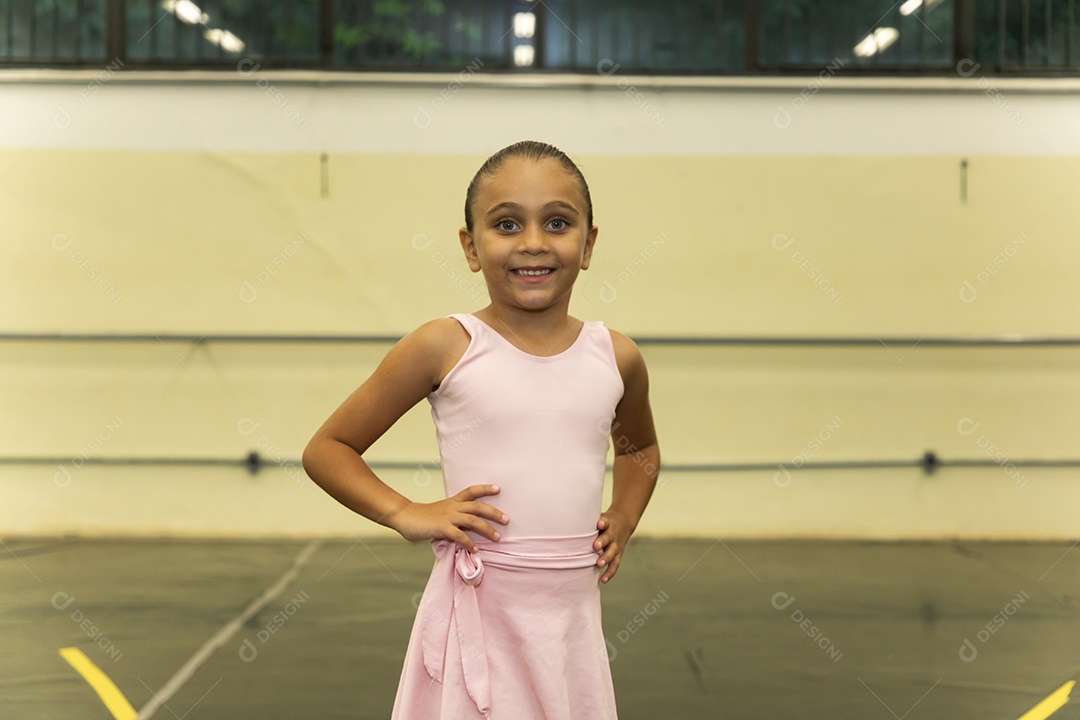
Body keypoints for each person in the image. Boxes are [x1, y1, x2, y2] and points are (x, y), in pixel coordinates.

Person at [302, 140, 660, 719]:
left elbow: (640, 445)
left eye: (559, 222)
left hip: (570, 617)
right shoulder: (444, 347)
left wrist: (623, 514)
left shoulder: (615, 356)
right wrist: (404, 511)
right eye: (507, 224)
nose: (534, 243)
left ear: (589, 243)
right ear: (470, 246)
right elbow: (328, 449)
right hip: (480, 605)